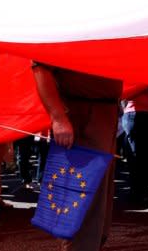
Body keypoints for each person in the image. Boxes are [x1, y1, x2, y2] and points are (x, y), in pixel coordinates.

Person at [32, 62, 122, 251]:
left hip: (104, 112)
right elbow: (40, 67)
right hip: (82, 112)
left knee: (98, 206)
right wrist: (58, 117)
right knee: (82, 204)